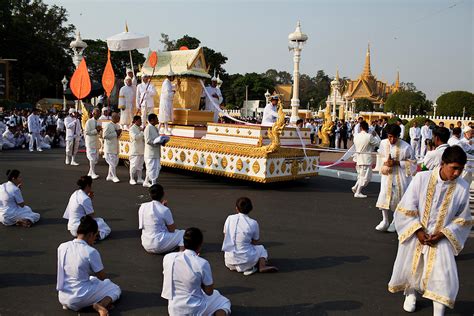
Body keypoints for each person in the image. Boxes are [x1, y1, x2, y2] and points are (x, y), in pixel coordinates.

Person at [388, 146, 472, 315]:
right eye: (454, 168)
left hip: (441, 238)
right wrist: (418, 231)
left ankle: (438, 311)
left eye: (461, 169)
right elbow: (406, 207)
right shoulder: (422, 178)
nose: (457, 173)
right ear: (443, 163)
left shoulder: (462, 187)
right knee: (412, 267)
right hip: (415, 233)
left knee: (442, 276)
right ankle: (410, 294)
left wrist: (443, 234)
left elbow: (463, 219)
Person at [57, 215, 121, 314]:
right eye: (95, 236)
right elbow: (102, 277)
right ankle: (101, 305)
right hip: (79, 297)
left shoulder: (62, 246)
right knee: (114, 288)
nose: (94, 240)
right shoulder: (91, 251)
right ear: (90, 234)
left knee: (92, 279)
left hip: (63, 296)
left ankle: (81, 303)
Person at [162, 227, 231, 316]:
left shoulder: (168, 258)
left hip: (174, 310)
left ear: (184, 242)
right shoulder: (202, 263)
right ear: (200, 245)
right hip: (194, 310)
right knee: (223, 301)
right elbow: (209, 292)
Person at [222, 197, 278, 275]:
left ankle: (248, 266)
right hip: (246, 261)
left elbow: (225, 236)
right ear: (250, 208)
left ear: (236, 208)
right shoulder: (253, 223)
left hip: (229, 262)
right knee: (261, 249)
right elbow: (255, 242)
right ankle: (262, 266)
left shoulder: (229, 218)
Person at [376, 124, 416, 232]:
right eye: (389, 136)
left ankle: (395, 221)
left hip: (400, 176)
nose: (392, 139)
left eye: (394, 137)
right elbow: (380, 155)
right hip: (387, 176)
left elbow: (413, 163)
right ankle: (385, 220)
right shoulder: (383, 143)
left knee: (398, 199)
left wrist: (397, 162)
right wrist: (384, 164)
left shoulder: (406, 146)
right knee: (384, 196)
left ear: (399, 136)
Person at [138, 184, 185, 254]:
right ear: (163, 194)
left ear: (150, 194)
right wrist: (163, 208)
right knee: (182, 233)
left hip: (146, 244)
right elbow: (172, 229)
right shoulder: (165, 210)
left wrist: (162, 207)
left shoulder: (142, 206)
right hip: (158, 244)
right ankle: (182, 253)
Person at [63, 176, 111, 240]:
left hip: (71, 227)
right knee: (106, 228)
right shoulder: (85, 198)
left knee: (99, 221)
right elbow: (91, 216)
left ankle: (90, 235)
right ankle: (94, 237)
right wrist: (89, 200)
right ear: (88, 185)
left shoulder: (75, 193)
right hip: (80, 228)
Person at [352, 121, 381, 198]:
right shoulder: (369, 136)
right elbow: (379, 143)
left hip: (358, 159)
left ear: (361, 128)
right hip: (365, 160)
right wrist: (375, 136)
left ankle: (355, 187)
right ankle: (357, 192)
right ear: (367, 128)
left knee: (361, 175)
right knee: (366, 178)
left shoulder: (356, 136)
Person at [144, 113, 164, 187]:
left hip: (156, 152)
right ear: (152, 120)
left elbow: (157, 138)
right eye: (156, 118)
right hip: (150, 153)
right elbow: (148, 140)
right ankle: (153, 183)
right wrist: (156, 143)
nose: (158, 120)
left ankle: (146, 182)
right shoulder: (148, 128)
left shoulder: (155, 128)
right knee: (152, 168)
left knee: (157, 167)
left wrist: (162, 142)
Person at [102, 112, 122, 183]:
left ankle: (109, 176)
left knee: (114, 162)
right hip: (110, 147)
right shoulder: (108, 125)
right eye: (118, 117)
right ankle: (114, 176)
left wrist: (119, 134)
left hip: (115, 146)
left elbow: (118, 136)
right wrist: (116, 133)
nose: (119, 118)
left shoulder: (117, 125)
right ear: (114, 118)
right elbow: (104, 136)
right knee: (112, 163)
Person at [85, 108, 102, 180]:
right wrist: (96, 130)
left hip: (96, 142)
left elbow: (100, 133)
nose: (98, 114)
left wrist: (100, 131)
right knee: (92, 158)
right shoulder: (89, 122)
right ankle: (93, 173)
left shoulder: (99, 122)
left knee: (95, 158)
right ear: (93, 113)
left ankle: (90, 172)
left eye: (99, 113)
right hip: (90, 142)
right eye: (97, 113)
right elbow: (87, 132)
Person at [158, 69, 176, 135]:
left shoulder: (168, 82)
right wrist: (173, 92)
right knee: (165, 116)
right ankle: (165, 129)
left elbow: (170, 87)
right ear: (170, 76)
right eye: (173, 77)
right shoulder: (166, 83)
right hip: (165, 102)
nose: (173, 78)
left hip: (167, 102)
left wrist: (174, 87)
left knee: (164, 116)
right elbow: (167, 93)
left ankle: (159, 129)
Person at [129, 115, 145, 185]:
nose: (141, 122)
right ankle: (131, 179)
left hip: (141, 150)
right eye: (139, 120)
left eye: (141, 120)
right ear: (135, 121)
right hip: (135, 150)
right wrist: (142, 132)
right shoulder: (132, 129)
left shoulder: (140, 128)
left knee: (140, 166)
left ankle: (139, 178)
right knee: (133, 165)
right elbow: (135, 137)